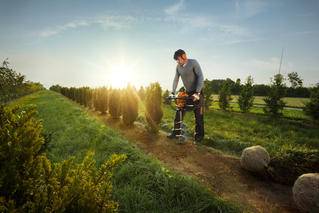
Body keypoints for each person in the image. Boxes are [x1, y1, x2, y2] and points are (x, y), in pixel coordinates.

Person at [167, 49, 205, 143]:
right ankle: (176, 132)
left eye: (178, 59)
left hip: (197, 93)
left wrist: (197, 93)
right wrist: (173, 92)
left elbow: (200, 77)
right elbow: (176, 79)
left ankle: (199, 138)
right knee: (179, 111)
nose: (177, 61)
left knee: (198, 116)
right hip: (187, 93)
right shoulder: (178, 67)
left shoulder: (193, 63)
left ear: (184, 56)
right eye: (176, 60)